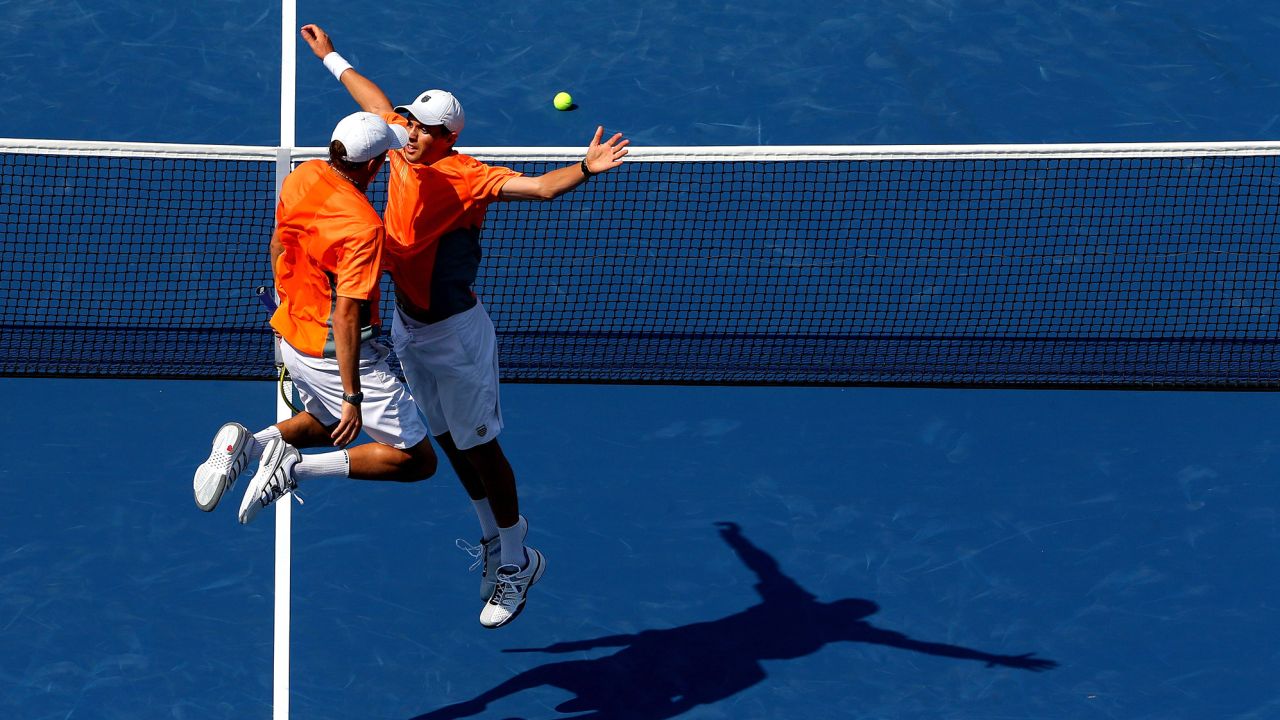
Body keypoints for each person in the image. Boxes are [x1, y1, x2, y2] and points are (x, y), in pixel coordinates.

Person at [300, 23, 629, 629]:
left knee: (480, 444)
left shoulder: (469, 176)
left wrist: (584, 167)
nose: (413, 134)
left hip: (456, 337)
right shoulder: (399, 142)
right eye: (411, 124)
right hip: (408, 328)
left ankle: (518, 556)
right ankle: (490, 538)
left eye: (426, 130)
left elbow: (539, 188)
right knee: (449, 441)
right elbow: (369, 102)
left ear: (449, 136)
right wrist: (330, 56)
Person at [193, 111, 438, 525]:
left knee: (326, 427)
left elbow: (278, 244)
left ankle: (246, 447)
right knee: (417, 460)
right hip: (335, 353)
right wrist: (352, 397)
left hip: (292, 335)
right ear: (375, 165)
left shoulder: (303, 176)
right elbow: (346, 315)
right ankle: (294, 468)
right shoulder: (363, 229)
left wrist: (289, 300)